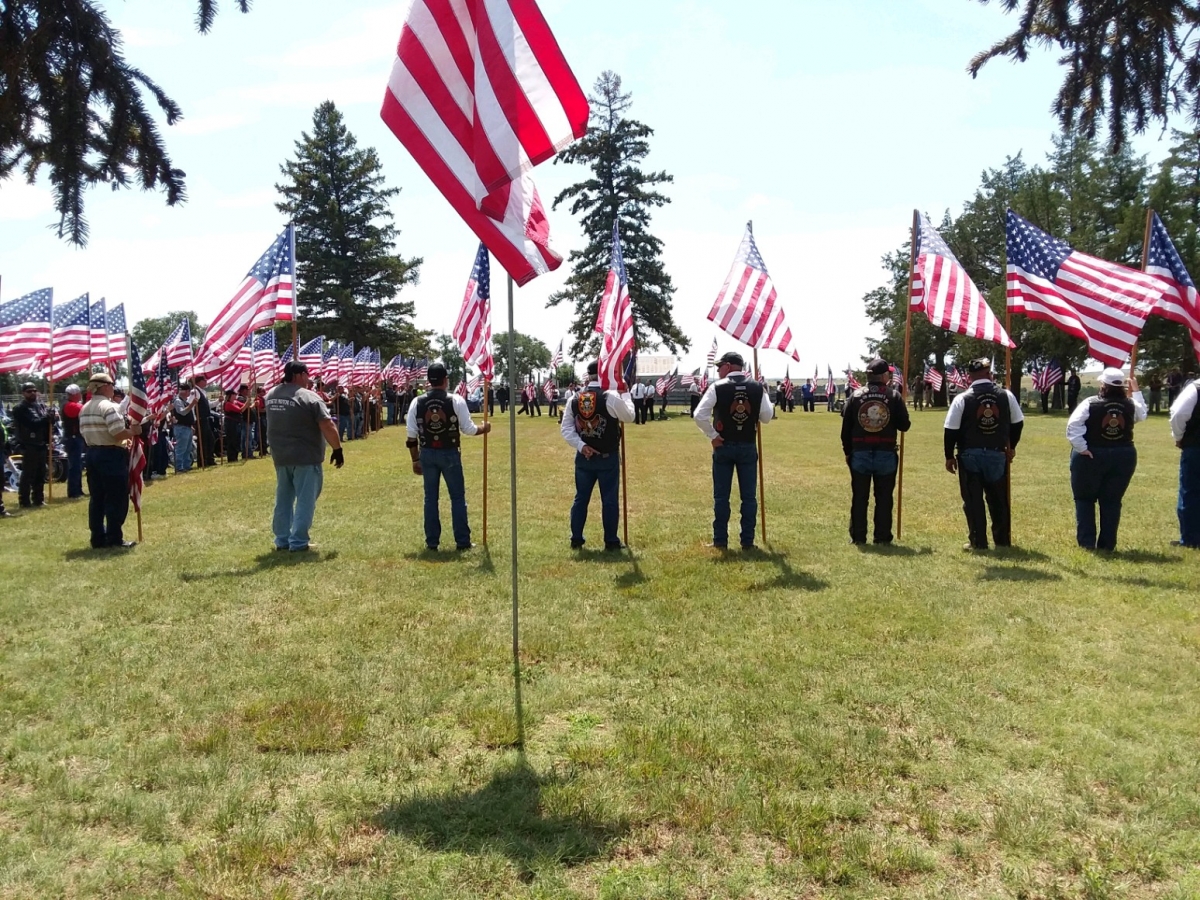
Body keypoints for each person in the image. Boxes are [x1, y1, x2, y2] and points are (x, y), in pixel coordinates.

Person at [406, 363, 490, 551]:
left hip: (426, 453)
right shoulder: (456, 400)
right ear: (445, 380)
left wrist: (414, 459)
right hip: (450, 452)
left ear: (429, 380)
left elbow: (411, 436)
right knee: (457, 498)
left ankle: (432, 542)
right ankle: (462, 541)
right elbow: (468, 429)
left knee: (430, 499)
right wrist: (485, 428)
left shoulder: (416, 402)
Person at [694, 351, 774, 550]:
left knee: (721, 496)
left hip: (724, 446)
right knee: (749, 497)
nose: (719, 370)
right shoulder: (757, 387)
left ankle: (720, 540)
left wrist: (713, 436)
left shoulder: (717, 387)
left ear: (728, 366)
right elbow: (766, 416)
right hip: (747, 444)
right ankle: (748, 541)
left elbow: (699, 415)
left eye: (720, 366)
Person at [944, 358, 1025, 551]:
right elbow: (1018, 423)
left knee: (973, 501)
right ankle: (1002, 541)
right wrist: (1011, 446)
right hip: (997, 454)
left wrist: (949, 456)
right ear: (990, 374)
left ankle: (978, 542)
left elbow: (951, 430)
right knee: (998, 499)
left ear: (970, 376)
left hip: (969, 454)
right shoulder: (1006, 395)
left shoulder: (962, 398)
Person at [265, 361, 343, 552]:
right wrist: (337, 449)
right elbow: (327, 424)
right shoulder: (309, 397)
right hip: (305, 456)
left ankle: (282, 539)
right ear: (299, 375)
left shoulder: (271, 395)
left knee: (283, 498)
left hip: (280, 455)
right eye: (307, 375)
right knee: (305, 500)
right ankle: (298, 541)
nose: (309, 379)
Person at [1066, 367, 1147, 551]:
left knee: (1085, 499)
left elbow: (1073, 426)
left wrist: (1082, 448)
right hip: (1123, 455)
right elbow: (1142, 414)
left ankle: (1087, 543)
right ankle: (1107, 545)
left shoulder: (1090, 403)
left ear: (1103, 384)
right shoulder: (1130, 404)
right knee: (1111, 501)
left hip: (1093, 454)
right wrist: (1137, 392)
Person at [560, 361, 635, 550]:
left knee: (581, 498)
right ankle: (610, 540)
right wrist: (625, 393)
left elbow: (566, 428)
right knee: (609, 500)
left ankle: (576, 538)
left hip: (584, 457)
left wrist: (581, 445)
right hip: (607, 456)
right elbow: (629, 416)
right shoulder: (610, 397)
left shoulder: (575, 398)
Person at [841, 358, 912, 545]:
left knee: (860, 497)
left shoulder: (855, 396)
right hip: (886, 452)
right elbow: (905, 426)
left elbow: (845, 429)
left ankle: (858, 537)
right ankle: (881, 537)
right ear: (883, 375)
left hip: (860, 452)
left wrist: (848, 452)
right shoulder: (893, 396)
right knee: (884, 498)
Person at [79, 372, 140, 548]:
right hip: (111, 454)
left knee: (97, 498)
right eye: (111, 384)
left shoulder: (85, 408)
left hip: (92, 453)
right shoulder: (108, 407)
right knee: (116, 497)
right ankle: (114, 537)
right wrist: (133, 432)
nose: (113, 388)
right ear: (104, 386)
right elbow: (118, 433)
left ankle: (97, 537)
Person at [12, 382, 54, 508]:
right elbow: (32, 424)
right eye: (29, 391)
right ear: (23, 393)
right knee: (28, 474)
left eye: (34, 390)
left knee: (41, 473)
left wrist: (52, 419)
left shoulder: (40, 406)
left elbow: (47, 424)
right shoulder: (20, 408)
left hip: (41, 443)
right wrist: (46, 418)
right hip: (29, 444)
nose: (32, 393)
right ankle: (24, 501)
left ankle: (38, 499)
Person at [1169, 373, 1200, 549]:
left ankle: (1191, 538)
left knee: (1191, 492)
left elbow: (1178, 414)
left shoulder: (1195, 388)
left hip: (1196, 446)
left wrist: (1178, 436)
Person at [61, 384, 85, 497]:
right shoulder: (69, 405)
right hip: (73, 438)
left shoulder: (70, 404)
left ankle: (78, 489)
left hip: (76, 437)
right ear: (75, 394)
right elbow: (84, 410)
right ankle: (73, 491)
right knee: (74, 465)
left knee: (78, 465)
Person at [171, 382, 197, 473]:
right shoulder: (178, 401)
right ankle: (179, 467)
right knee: (181, 448)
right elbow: (182, 412)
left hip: (187, 427)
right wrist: (192, 404)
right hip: (181, 428)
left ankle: (186, 465)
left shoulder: (184, 401)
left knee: (188, 448)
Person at [191, 376, 215, 468]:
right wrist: (194, 419)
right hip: (200, 419)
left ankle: (209, 459)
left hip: (205, 419)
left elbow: (208, 405)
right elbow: (191, 405)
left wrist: (217, 401)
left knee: (210, 440)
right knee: (203, 441)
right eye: (204, 380)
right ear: (200, 381)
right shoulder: (195, 391)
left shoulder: (202, 392)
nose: (206, 382)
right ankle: (202, 461)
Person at [223, 388, 247, 462]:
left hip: (236, 423)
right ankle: (231, 457)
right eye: (234, 394)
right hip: (230, 423)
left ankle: (235, 456)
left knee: (237, 440)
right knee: (231, 440)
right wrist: (247, 402)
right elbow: (240, 410)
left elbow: (244, 406)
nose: (235, 396)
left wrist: (250, 404)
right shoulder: (228, 404)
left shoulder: (235, 402)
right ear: (230, 395)